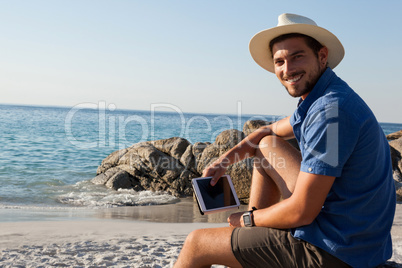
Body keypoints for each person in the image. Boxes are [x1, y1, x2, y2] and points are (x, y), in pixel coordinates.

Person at [174, 13, 396, 268]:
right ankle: (249, 246)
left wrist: (248, 219)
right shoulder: (325, 96)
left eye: (297, 56)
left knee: (196, 244)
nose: (287, 70)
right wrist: (225, 160)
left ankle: (247, 238)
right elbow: (266, 132)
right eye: (279, 61)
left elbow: (302, 211)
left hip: (336, 250)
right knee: (266, 146)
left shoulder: (330, 113)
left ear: (322, 56)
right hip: (355, 238)